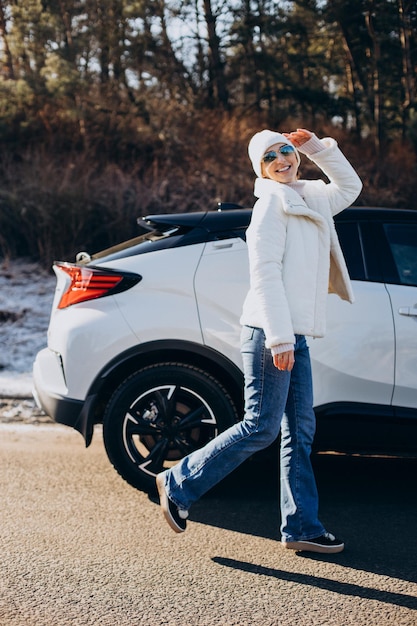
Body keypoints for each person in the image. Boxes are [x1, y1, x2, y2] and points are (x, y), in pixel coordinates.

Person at [156, 128, 362, 554]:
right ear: (261, 169)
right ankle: (179, 482)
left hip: (294, 334)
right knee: (261, 426)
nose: (282, 159)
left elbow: (351, 186)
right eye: (270, 157)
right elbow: (264, 274)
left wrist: (314, 146)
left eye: (286, 150)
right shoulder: (270, 204)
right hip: (271, 334)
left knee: (300, 431)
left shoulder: (310, 196)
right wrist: (281, 339)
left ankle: (302, 526)